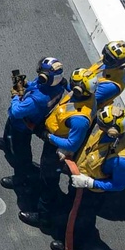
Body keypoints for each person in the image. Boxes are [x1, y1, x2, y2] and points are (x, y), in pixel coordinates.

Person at [20, 77, 93, 225]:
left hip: (56, 149)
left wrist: (48, 136)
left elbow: (72, 144)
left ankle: (43, 216)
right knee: (46, 176)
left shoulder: (80, 119)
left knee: (49, 180)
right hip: (53, 139)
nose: (72, 89)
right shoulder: (84, 98)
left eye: (75, 87)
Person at [0, 58, 66, 192]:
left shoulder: (38, 99)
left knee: (21, 153)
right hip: (20, 122)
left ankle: (21, 178)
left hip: (22, 126)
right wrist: (25, 84)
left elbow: (16, 111)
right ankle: (7, 144)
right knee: (9, 135)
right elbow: (35, 85)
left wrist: (15, 96)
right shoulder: (54, 85)